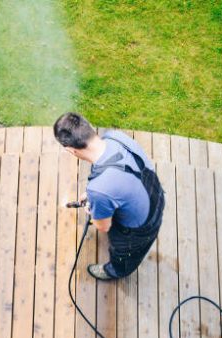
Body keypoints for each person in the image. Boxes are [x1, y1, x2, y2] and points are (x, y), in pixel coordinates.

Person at [53, 112, 165, 280]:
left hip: (140, 230)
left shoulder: (99, 190)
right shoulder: (115, 137)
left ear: (71, 150)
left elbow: (103, 226)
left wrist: (95, 205)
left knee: (124, 255)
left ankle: (116, 271)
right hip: (155, 195)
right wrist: (98, 195)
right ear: (88, 125)